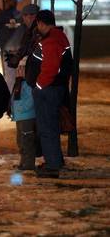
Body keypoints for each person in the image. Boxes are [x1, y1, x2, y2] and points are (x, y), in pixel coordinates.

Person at [25, 10, 73, 178]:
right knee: (50, 126)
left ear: (41, 23)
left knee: (47, 128)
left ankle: (52, 166)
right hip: (53, 88)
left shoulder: (51, 41)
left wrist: (38, 86)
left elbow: (50, 68)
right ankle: (55, 160)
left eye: (37, 24)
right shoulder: (58, 37)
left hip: (48, 89)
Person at [7, 4, 40, 170]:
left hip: (30, 85)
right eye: (25, 16)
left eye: (30, 16)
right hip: (25, 85)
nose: (27, 19)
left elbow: (32, 57)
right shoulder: (28, 33)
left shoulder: (36, 34)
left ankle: (28, 163)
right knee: (23, 131)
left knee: (27, 131)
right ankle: (25, 161)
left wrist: (20, 61)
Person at [0, 0, 21, 91]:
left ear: (7, 4)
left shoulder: (2, 16)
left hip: (7, 49)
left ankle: (11, 97)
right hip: (21, 51)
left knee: (9, 75)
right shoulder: (20, 16)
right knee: (20, 74)